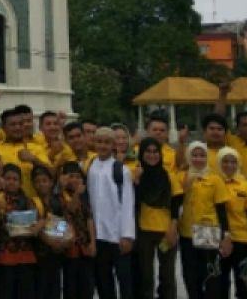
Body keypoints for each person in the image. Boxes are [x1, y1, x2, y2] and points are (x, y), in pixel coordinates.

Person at [178, 142, 230, 299]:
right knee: (190, 276)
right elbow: (174, 203)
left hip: (208, 231)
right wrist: (185, 186)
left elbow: (221, 210)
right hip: (187, 233)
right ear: (189, 157)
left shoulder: (215, 179)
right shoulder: (181, 177)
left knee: (210, 275)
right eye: (194, 155)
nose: (198, 159)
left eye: (202, 155)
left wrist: (225, 235)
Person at [87, 128, 134, 299]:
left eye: (107, 142)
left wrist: (127, 235)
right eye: (99, 141)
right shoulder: (92, 167)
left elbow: (128, 203)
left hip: (117, 235)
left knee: (124, 281)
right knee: (103, 281)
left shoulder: (121, 170)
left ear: (113, 144)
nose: (102, 145)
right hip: (99, 236)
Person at [133, 138, 182, 299]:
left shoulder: (168, 175)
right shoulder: (136, 173)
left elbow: (176, 203)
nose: (152, 155)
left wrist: (173, 227)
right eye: (148, 152)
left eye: (155, 152)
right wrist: (137, 181)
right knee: (145, 275)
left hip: (166, 232)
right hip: (143, 232)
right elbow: (132, 201)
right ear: (142, 153)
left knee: (167, 275)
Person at [216, 148, 247, 299]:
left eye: (233, 161)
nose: (229, 165)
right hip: (218, 241)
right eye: (225, 161)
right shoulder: (213, 183)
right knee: (220, 284)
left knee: (244, 288)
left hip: (243, 242)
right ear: (218, 162)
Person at [0, 163, 42, 299]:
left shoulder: (29, 201)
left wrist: (39, 224)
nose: (11, 182)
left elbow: (39, 220)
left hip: (26, 254)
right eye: (7, 178)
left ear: (21, 183)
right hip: (4, 255)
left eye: (15, 179)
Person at [51, 161, 96, 299]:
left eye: (78, 176)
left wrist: (93, 243)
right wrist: (77, 193)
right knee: (71, 287)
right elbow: (70, 209)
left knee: (87, 287)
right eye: (71, 176)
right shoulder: (58, 195)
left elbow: (89, 219)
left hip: (85, 246)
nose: (75, 180)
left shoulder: (85, 195)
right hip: (68, 247)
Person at [29, 166, 60, 299]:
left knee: (54, 289)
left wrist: (60, 242)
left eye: (44, 180)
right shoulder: (32, 202)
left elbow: (61, 222)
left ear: (51, 182)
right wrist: (50, 241)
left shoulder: (57, 202)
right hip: (39, 253)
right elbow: (34, 227)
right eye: (38, 181)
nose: (41, 184)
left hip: (56, 252)